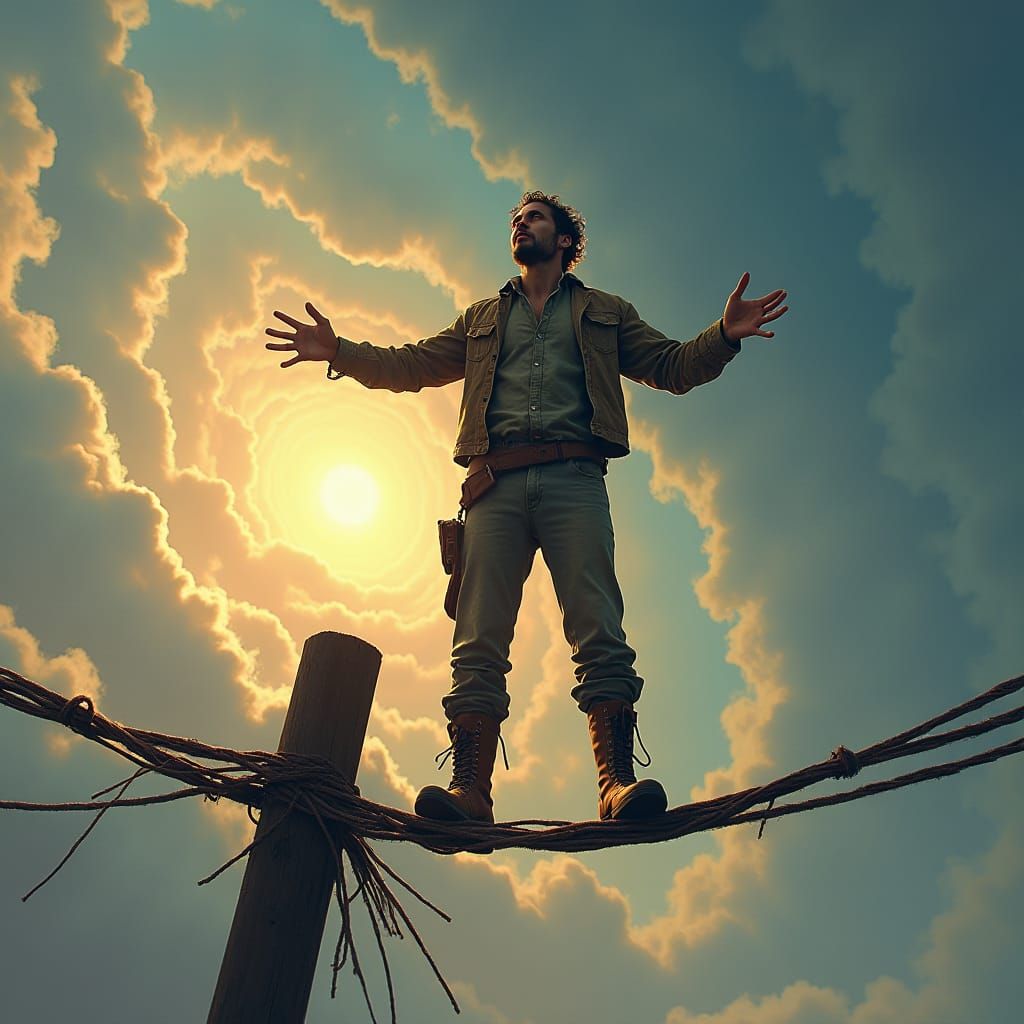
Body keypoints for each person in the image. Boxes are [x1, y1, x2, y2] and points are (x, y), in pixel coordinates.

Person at [265, 191, 788, 828]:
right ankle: (470, 795)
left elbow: (671, 367)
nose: (522, 225)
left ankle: (615, 786)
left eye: (535, 218)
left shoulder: (605, 311)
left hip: (574, 477)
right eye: (517, 220)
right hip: (494, 486)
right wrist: (339, 350)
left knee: (599, 630)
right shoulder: (482, 317)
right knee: (477, 643)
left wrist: (723, 336)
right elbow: (411, 365)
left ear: (566, 240)